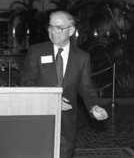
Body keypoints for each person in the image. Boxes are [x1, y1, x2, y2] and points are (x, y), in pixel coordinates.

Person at [20, 10, 108, 158]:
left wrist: (94, 106)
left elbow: (86, 88)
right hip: (39, 117)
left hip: (67, 123)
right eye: (51, 27)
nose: (53, 31)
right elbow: (26, 81)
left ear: (71, 30)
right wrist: (50, 99)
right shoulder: (36, 51)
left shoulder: (82, 57)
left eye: (59, 28)